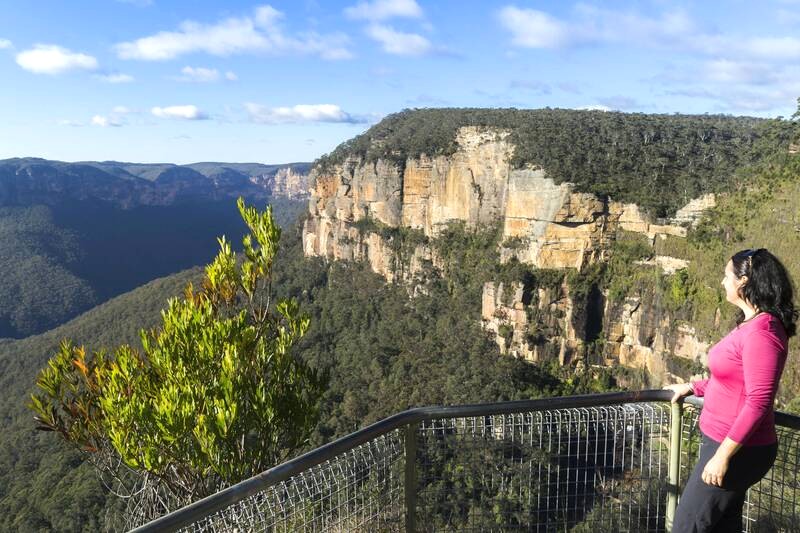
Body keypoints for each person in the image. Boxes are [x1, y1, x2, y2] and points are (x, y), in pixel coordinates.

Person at [663, 248, 797, 532]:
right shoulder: (751, 324)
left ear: (744, 281)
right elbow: (732, 379)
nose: (722, 282)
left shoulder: (763, 333)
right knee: (723, 526)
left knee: (687, 526)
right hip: (726, 444)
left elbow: (758, 401)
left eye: (727, 276)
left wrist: (723, 456)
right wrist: (693, 386)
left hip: (738, 450)